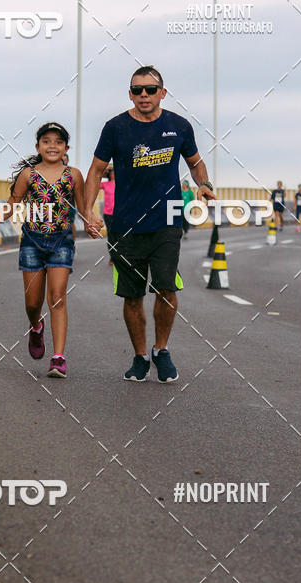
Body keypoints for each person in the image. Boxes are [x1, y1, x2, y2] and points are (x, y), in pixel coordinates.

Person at [85, 65, 215, 383]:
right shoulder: (115, 128)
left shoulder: (179, 126)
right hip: (125, 224)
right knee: (132, 297)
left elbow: (195, 162)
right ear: (130, 93)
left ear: (162, 93)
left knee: (166, 288)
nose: (145, 95)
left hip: (167, 219)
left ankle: (162, 349)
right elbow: (96, 169)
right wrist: (88, 210)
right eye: (138, 89)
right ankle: (141, 355)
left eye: (151, 89)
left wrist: (204, 183)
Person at [0, 121, 102, 378]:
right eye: (47, 141)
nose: (52, 146)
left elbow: (82, 207)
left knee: (58, 296)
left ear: (66, 148)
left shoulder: (73, 175)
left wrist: (91, 224)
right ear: (38, 146)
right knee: (33, 302)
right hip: (32, 242)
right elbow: (13, 202)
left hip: (61, 241)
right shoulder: (29, 174)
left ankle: (58, 357)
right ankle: (36, 325)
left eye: (58, 142)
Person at [101, 164, 115, 255]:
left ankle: (121, 255)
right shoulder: (105, 184)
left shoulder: (123, 184)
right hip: (108, 214)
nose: (114, 173)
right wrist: (104, 170)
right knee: (111, 236)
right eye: (112, 172)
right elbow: (94, 181)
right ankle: (112, 256)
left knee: (120, 235)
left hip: (120, 213)